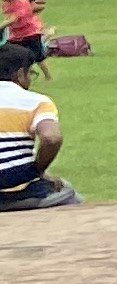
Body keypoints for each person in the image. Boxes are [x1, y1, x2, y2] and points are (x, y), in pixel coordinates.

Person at [0, 73, 73, 208]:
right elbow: (51, 139)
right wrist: (38, 170)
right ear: (20, 74)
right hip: (20, 186)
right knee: (68, 193)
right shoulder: (35, 101)